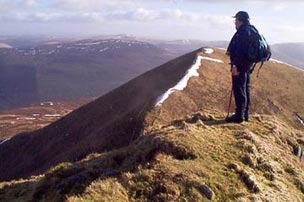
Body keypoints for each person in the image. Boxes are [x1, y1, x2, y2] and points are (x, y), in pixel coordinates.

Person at [225, 11, 254, 123]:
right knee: (246, 89)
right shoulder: (250, 31)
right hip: (247, 66)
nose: (235, 23)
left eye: (236, 20)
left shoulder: (242, 33)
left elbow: (240, 51)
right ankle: (245, 114)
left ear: (241, 20)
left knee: (239, 90)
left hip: (240, 66)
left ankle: (239, 117)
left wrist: (235, 66)